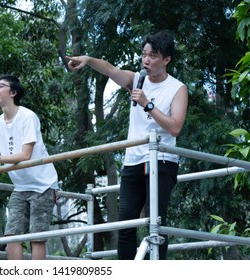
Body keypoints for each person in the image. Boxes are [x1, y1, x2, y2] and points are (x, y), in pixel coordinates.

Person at [66, 31, 188, 260]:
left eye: (152, 56)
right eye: (144, 55)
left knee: (156, 221)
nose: (146, 60)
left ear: (167, 60)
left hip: (162, 162)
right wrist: (89, 60)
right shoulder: (136, 79)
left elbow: (175, 128)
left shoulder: (177, 88)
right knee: (126, 223)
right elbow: (111, 70)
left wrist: (147, 104)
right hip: (133, 161)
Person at [0, 75, 58, 260]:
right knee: (12, 235)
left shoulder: (27, 116)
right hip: (21, 186)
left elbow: (25, 155)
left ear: (13, 92)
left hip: (43, 184)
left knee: (37, 237)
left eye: (1, 86)